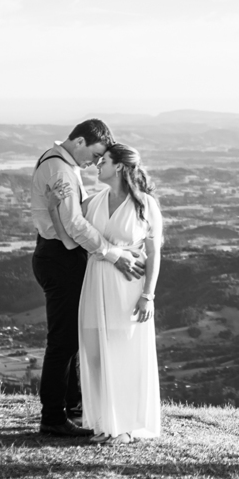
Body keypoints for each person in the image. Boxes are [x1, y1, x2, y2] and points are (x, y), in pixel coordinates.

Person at [30, 119, 144, 437]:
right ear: (79, 141)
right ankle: (53, 417)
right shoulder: (60, 170)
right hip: (59, 258)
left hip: (61, 254)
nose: (94, 162)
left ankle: (73, 407)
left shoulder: (64, 166)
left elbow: (70, 223)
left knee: (72, 338)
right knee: (63, 341)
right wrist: (113, 253)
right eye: (95, 154)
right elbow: (75, 226)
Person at [51, 143, 163, 444]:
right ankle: (105, 423)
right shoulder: (94, 201)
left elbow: (154, 253)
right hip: (95, 282)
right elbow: (72, 240)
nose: (97, 165)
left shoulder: (146, 205)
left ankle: (125, 427)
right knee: (96, 355)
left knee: (123, 353)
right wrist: (55, 206)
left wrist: (148, 295)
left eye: (104, 161)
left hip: (127, 288)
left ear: (120, 167)